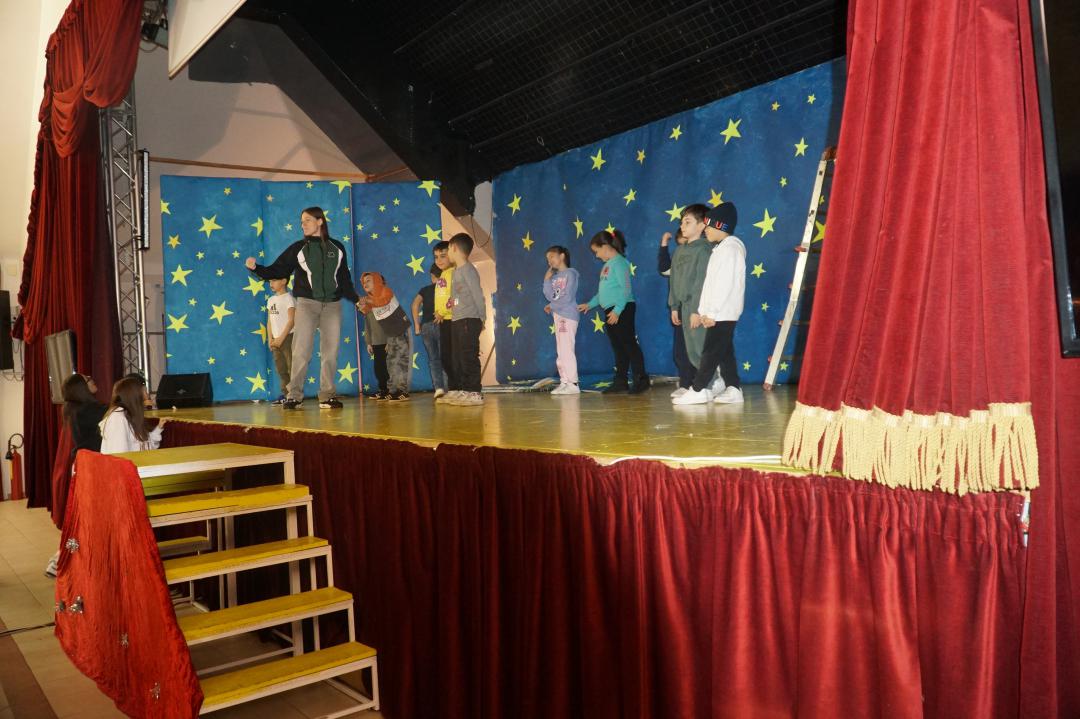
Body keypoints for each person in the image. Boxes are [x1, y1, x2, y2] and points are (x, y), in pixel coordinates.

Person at [245, 206, 360, 410]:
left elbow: (344, 279)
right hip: (307, 305)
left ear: (320, 221)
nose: (303, 224)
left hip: (332, 306)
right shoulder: (298, 248)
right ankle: (294, 395)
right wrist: (256, 268)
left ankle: (327, 395)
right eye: (301, 222)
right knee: (301, 351)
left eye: (307, 220)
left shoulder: (337, 248)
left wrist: (356, 299)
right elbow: (277, 269)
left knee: (330, 352)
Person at [673, 202, 746, 405]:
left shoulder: (731, 249)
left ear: (720, 226)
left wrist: (712, 312)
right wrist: (705, 310)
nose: (705, 229)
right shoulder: (720, 249)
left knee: (710, 352)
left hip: (724, 312)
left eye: (708, 225)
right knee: (725, 352)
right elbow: (709, 284)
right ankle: (734, 388)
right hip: (718, 312)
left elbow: (724, 284)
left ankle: (699, 389)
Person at [46, 373, 107, 577]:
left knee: (81, 519)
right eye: (88, 379)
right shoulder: (88, 410)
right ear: (82, 388)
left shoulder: (76, 409)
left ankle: (62, 559)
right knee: (83, 520)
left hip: (84, 467)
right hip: (89, 469)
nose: (92, 379)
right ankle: (60, 560)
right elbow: (116, 412)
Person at [577, 229, 649, 394]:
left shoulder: (620, 263)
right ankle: (621, 381)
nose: (596, 256)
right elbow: (602, 293)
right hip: (611, 310)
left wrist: (617, 311)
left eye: (596, 251)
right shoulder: (606, 266)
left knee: (629, 344)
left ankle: (641, 379)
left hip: (622, 308)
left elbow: (626, 289)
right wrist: (590, 304)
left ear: (605, 247)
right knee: (618, 347)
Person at [668, 204, 714, 400]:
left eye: (687, 222)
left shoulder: (704, 250)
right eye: (681, 222)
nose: (682, 226)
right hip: (682, 307)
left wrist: (696, 309)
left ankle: (707, 386)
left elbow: (701, 281)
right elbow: (674, 280)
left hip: (696, 308)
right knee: (686, 349)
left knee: (699, 347)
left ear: (702, 225)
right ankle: (694, 386)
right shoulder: (679, 251)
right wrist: (674, 306)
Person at [444, 233, 485, 406]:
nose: (447, 253)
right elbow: (461, 296)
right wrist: (452, 304)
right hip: (458, 319)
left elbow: (478, 294)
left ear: (454, 248)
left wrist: (482, 317)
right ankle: (464, 390)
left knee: (468, 356)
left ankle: (474, 392)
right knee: (458, 357)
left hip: (469, 319)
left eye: (448, 249)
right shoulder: (456, 272)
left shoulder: (468, 270)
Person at [358, 272, 412, 401]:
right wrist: (361, 304)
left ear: (377, 281)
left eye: (368, 280)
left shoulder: (386, 291)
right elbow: (366, 312)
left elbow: (382, 301)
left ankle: (402, 390)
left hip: (399, 331)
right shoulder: (371, 300)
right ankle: (392, 390)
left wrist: (367, 301)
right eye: (363, 282)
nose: (365, 283)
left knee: (401, 361)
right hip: (390, 334)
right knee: (390, 364)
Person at [658, 228, 696, 393]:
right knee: (681, 350)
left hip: (696, 309)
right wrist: (664, 245)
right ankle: (686, 384)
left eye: (687, 244)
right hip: (680, 309)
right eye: (680, 245)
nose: (683, 249)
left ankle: (699, 384)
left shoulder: (702, 256)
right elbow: (665, 269)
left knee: (696, 349)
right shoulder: (678, 258)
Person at [543, 245, 580, 395]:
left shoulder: (571, 273)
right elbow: (550, 295)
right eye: (547, 259)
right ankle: (565, 381)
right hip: (558, 316)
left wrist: (552, 305)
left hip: (568, 315)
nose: (549, 261)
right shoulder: (554, 278)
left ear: (562, 256)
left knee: (566, 349)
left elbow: (567, 297)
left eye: (552, 256)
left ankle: (573, 383)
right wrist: (546, 280)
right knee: (561, 350)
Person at [100, 376, 167, 453]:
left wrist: (159, 428)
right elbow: (119, 454)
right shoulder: (118, 418)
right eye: (142, 393)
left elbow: (145, 446)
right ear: (135, 396)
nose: (146, 397)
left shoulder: (130, 415)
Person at [412, 265, 448, 398]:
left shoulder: (425, 290)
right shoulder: (446, 288)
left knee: (433, 359)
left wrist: (417, 325)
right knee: (445, 358)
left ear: (432, 276)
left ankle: (438, 388)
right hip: (442, 324)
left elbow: (415, 304)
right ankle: (448, 388)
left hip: (426, 326)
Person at [266, 277, 296, 404]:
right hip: (276, 340)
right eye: (270, 281)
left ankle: (295, 395)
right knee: (281, 369)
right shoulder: (271, 300)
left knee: (291, 367)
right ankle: (286, 394)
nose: (271, 283)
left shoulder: (289, 299)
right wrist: (270, 339)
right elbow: (269, 322)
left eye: (274, 280)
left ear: (284, 281)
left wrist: (281, 338)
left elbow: (291, 321)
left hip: (287, 338)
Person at [432, 241, 455, 398]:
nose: (439, 260)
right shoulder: (443, 274)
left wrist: (443, 312)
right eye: (436, 257)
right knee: (446, 357)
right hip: (443, 320)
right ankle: (453, 389)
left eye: (443, 256)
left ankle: (459, 388)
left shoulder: (454, 273)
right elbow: (440, 296)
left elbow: (455, 298)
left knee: (452, 357)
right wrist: (437, 312)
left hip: (452, 319)